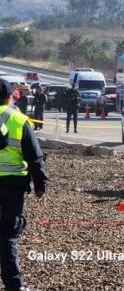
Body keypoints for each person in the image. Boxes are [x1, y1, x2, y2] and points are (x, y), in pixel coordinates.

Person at [0, 79, 49, 290]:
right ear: (10, 96)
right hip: (12, 185)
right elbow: (34, 155)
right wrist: (40, 184)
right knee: (9, 235)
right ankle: (14, 285)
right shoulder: (18, 119)